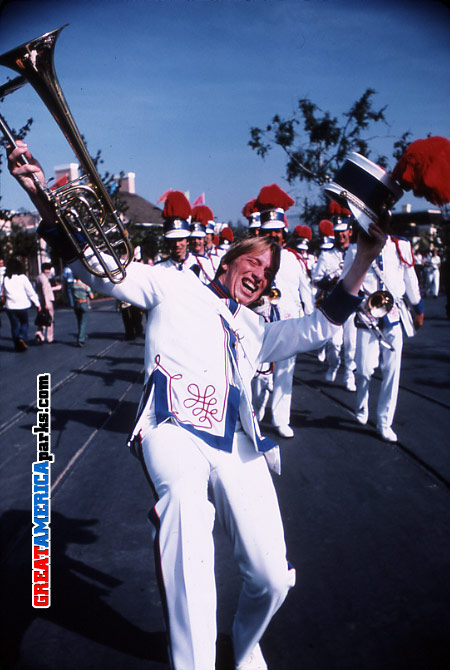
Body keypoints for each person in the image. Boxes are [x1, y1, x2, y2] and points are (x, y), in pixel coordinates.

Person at [8, 139, 386, 670]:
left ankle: (245, 642)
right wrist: (38, 191)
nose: (259, 273)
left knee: (271, 577)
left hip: (237, 443)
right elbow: (95, 266)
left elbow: (322, 326)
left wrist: (365, 255)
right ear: (230, 261)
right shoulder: (170, 285)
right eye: (253, 260)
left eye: (268, 273)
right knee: (185, 506)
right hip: (173, 427)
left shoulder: (257, 328)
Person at [343, 230, 424, 443]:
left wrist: (418, 307)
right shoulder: (355, 248)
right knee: (363, 369)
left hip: (393, 316)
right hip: (367, 316)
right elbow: (346, 281)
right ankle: (361, 406)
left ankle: (384, 421)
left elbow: (410, 276)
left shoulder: (400, 246)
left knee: (392, 371)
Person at [253, 184, 314, 439]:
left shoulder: (293, 260)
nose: (274, 236)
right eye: (269, 232)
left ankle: (281, 419)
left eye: (277, 232)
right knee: (258, 375)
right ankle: (254, 416)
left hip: (289, 323)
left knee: (285, 373)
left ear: (283, 232)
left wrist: (310, 320)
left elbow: (305, 291)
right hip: (260, 324)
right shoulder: (254, 256)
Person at [312, 216, 357, 391]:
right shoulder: (327, 255)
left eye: (343, 232)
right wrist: (331, 279)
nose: (341, 236)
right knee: (334, 343)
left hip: (353, 304)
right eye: (337, 233)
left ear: (350, 232)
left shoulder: (356, 251)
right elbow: (316, 280)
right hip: (334, 303)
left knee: (351, 343)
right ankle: (333, 365)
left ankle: (349, 375)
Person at [1, 257, 41, 351]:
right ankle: (22, 336)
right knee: (24, 323)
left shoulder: (5, 279)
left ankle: (17, 345)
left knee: (14, 325)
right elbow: (30, 292)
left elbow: (1, 292)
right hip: (23, 305)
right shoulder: (23, 278)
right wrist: (37, 304)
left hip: (10, 306)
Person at [34, 262, 61, 343]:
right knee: (50, 319)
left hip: (40, 301)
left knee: (42, 318)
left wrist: (55, 288)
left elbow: (44, 290)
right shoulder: (45, 279)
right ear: (44, 270)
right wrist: (46, 303)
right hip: (47, 301)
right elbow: (45, 290)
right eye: (47, 269)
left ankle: (39, 333)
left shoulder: (38, 277)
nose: (48, 271)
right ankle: (50, 338)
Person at [72, 277, 94, 346]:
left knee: (79, 321)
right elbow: (92, 296)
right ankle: (81, 340)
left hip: (76, 304)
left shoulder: (73, 285)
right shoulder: (85, 286)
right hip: (83, 303)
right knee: (83, 322)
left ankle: (82, 335)